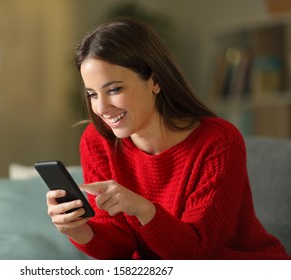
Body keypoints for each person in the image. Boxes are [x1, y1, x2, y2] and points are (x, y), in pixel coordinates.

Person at [46, 17, 290, 259]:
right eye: (92, 94)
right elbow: (118, 250)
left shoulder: (219, 142)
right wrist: (79, 230)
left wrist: (143, 209)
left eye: (114, 90)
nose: (102, 108)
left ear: (155, 81)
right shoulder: (97, 140)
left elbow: (197, 252)